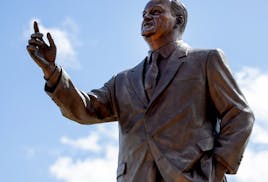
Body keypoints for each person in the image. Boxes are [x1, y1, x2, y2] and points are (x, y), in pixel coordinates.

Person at [27, 0, 254, 181]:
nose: (146, 16)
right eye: (144, 13)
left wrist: (216, 169)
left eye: (155, 11)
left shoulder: (205, 61)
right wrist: (52, 72)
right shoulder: (123, 80)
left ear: (178, 20)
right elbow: (86, 109)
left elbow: (240, 115)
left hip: (191, 175)